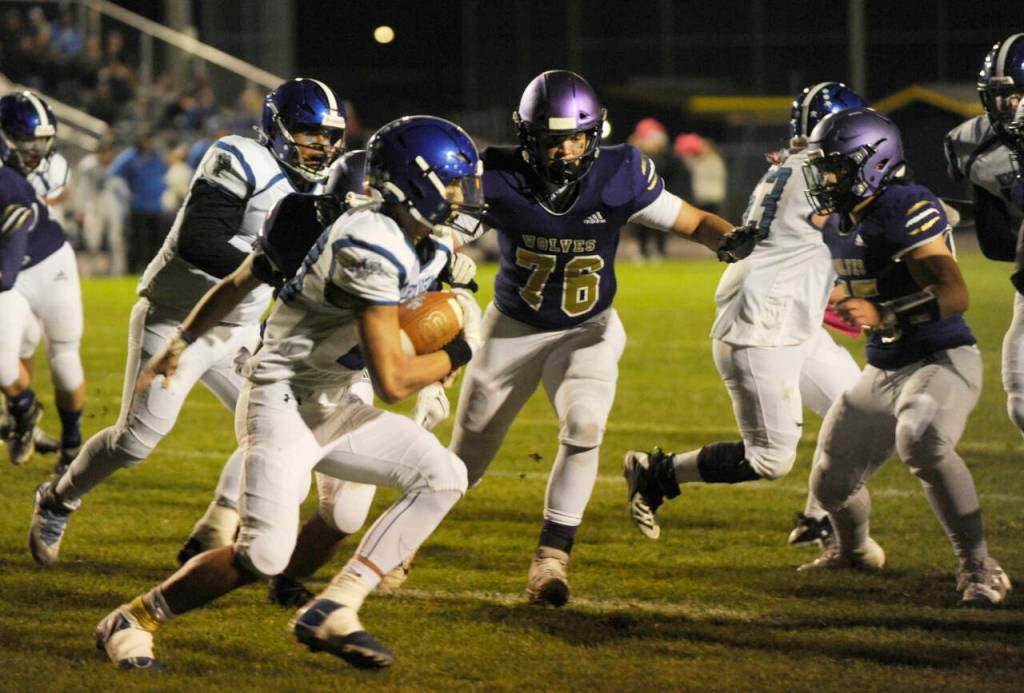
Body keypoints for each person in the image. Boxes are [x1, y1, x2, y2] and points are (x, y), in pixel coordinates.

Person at [93, 115, 485, 670]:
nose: (462, 197)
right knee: (264, 553)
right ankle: (134, 617)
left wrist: (183, 339)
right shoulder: (368, 244)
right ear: (414, 184)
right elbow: (393, 381)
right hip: (284, 400)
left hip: (337, 397)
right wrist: (460, 350)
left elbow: (242, 282)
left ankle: (336, 607)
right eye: (452, 184)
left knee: (444, 477)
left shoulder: (425, 244)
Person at [447, 70, 762, 607]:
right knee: (461, 467)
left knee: (586, 423)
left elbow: (691, 221)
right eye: (553, 139)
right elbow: (448, 238)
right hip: (512, 328)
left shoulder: (620, 172)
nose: (567, 150)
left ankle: (551, 559)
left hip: (587, 328)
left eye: (576, 137)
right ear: (528, 139)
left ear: (595, 135)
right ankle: (398, 548)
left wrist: (729, 240)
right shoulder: (494, 176)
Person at [28, 78, 347, 566]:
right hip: (177, 318)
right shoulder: (240, 157)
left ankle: (218, 523)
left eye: (329, 136)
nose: (321, 146)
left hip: (241, 328)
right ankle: (57, 499)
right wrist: (281, 268)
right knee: (133, 443)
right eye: (310, 133)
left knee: (280, 429)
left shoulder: (326, 185)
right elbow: (199, 239)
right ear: (277, 127)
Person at [622, 82, 866, 547]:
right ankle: (658, 472)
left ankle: (818, 517)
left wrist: (826, 294)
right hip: (763, 325)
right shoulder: (823, 170)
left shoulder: (793, 165)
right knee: (771, 460)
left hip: (788, 311)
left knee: (857, 413)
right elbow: (853, 230)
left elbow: (802, 242)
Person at [794, 107, 1009, 606]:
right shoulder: (839, 219)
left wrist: (883, 311)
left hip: (941, 357)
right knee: (830, 485)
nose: (826, 177)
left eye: (835, 166)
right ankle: (856, 552)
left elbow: (954, 294)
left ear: (873, 163)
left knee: (922, 438)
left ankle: (981, 566)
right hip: (884, 367)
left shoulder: (904, 204)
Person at [0, 91, 86, 469]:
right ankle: (22, 414)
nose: (36, 152)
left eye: (42, 143)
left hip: (46, 265)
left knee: (65, 360)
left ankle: (71, 446)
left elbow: (12, 247)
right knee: (4, 358)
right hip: (11, 269)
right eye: (28, 143)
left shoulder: (17, 179)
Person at [945, 33, 1024, 438]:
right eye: (997, 97)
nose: (1005, 107)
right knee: (1021, 398)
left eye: (1014, 96)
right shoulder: (975, 146)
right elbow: (995, 242)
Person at [623, 118, 691, 260]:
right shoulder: (635, 155)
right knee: (641, 225)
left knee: (661, 225)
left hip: (660, 195)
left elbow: (671, 175)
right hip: (640, 196)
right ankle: (642, 251)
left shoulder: (668, 158)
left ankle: (660, 251)